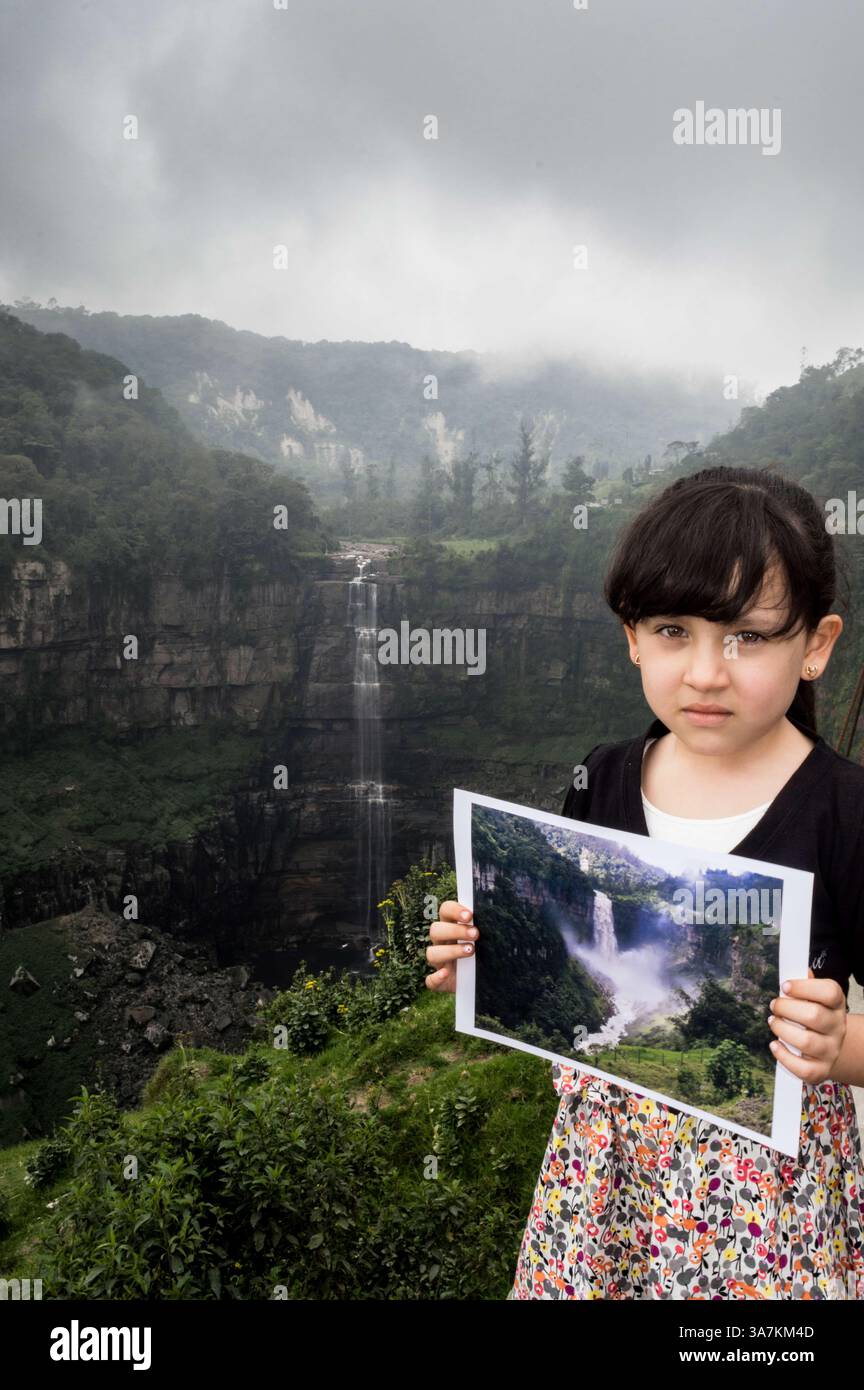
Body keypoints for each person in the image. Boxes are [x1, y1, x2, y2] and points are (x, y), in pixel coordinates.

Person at [426, 465, 864, 1300]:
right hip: (600, 1188)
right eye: (673, 630)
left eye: (749, 637)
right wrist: (478, 957)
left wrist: (835, 1049)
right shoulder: (606, 776)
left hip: (761, 1222)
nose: (705, 672)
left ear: (816, 644)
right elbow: (559, 937)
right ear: (631, 637)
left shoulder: (845, 813)